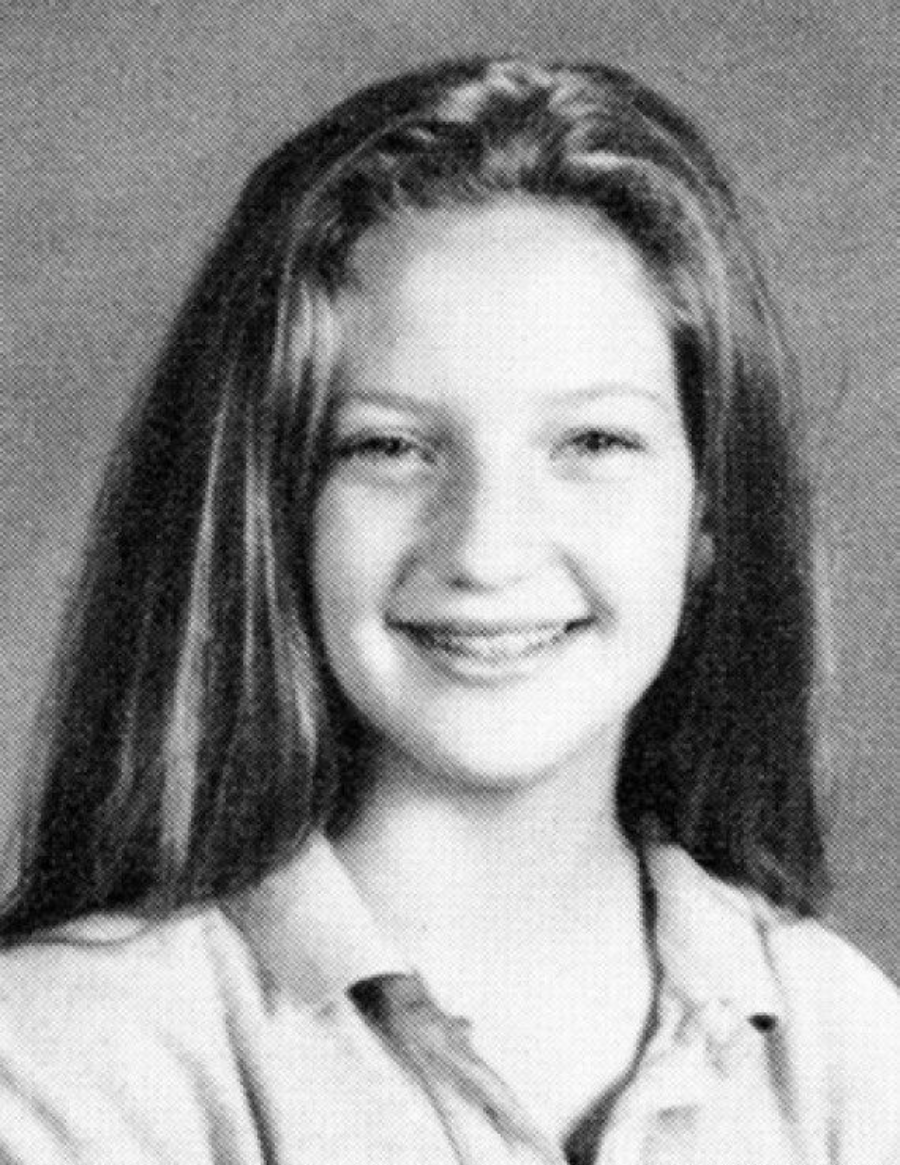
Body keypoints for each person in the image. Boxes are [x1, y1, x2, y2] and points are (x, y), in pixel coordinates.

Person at [0, 56, 897, 1165]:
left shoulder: (854, 1060)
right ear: (273, 506)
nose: (485, 549)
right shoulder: (61, 1065)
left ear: (711, 509)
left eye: (594, 444)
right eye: (391, 447)